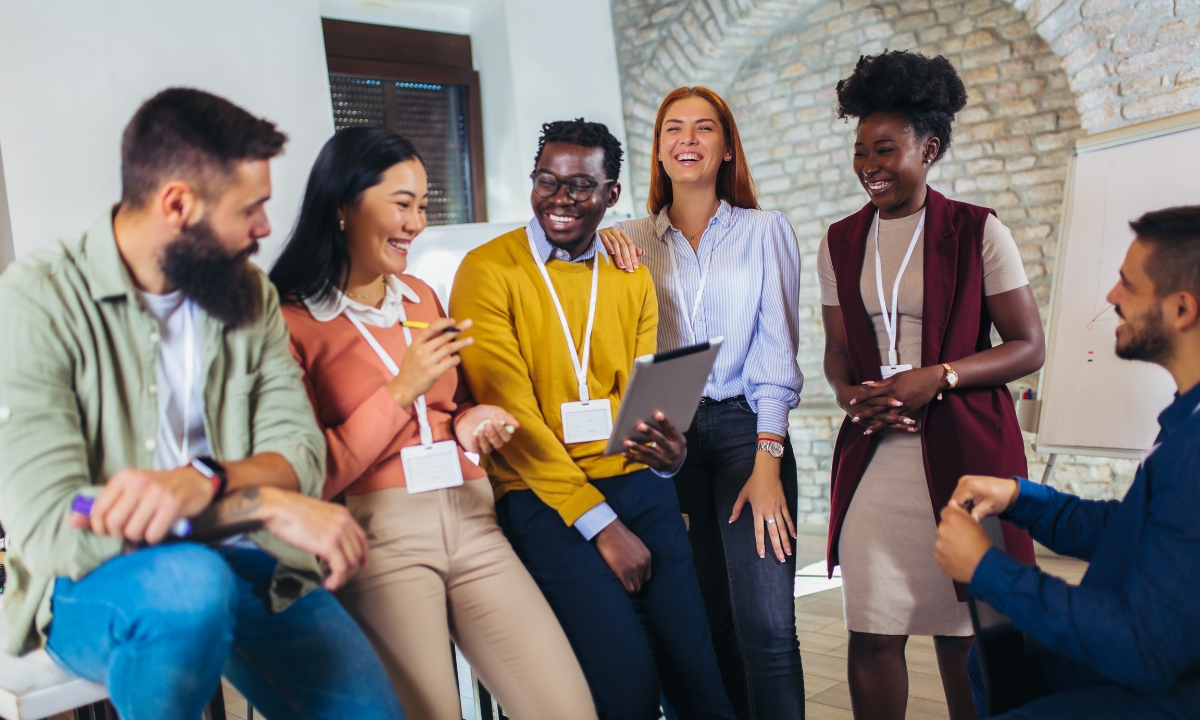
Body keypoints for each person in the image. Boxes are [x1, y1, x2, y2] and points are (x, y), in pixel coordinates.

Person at [0, 89, 405, 720]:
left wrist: (203, 484)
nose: (266, 229)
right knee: (190, 583)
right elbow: (54, 519)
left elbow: (298, 454)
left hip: (248, 563)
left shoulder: (248, 294)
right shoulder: (35, 301)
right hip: (96, 580)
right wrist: (259, 500)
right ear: (178, 204)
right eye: (251, 209)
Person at [270, 126, 597, 720]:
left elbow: (453, 404)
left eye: (422, 206)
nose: (416, 224)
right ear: (342, 206)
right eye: (402, 204)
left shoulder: (421, 296)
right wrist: (400, 390)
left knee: (567, 708)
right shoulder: (289, 320)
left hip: (474, 519)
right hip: (380, 538)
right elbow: (306, 477)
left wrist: (474, 421)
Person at [449, 119, 736, 720]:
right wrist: (602, 526)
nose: (560, 197)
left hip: (635, 482)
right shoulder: (486, 271)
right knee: (624, 686)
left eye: (581, 186)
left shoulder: (631, 274)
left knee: (699, 676)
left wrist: (671, 455)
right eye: (547, 181)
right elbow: (514, 419)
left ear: (611, 195)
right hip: (542, 496)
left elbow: (638, 401)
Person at [818, 52, 1045, 720]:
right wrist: (846, 391)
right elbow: (836, 349)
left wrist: (938, 377)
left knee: (964, 633)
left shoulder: (977, 230)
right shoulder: (839, 242)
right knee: (870, 631)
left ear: (931, 147)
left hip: (966, 453)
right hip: (875, 455)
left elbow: (1029, 346)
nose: (869, 166)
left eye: (885, 150)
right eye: (860, 152)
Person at [936, 205, 1200, 719]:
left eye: (1128, 285)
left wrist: (988, 570)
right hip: (1161, 652)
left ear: (1182, 310)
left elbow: (1144, 647)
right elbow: (1127, 528)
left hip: (1171, 681)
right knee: (993, 661)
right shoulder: (1184, 419)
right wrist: (1020, 496)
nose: (1111, 298)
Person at [597, 86, 805, 719]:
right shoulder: (625, 239)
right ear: (658, 151)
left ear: (725, 147)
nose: (688, 139)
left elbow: (777, 347)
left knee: (767, 623)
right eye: (674, 129)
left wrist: (768, 463)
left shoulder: (765, 231)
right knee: (703, 619)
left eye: (704, 128)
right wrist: (597, 247)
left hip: (747, 430)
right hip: (665, 434)